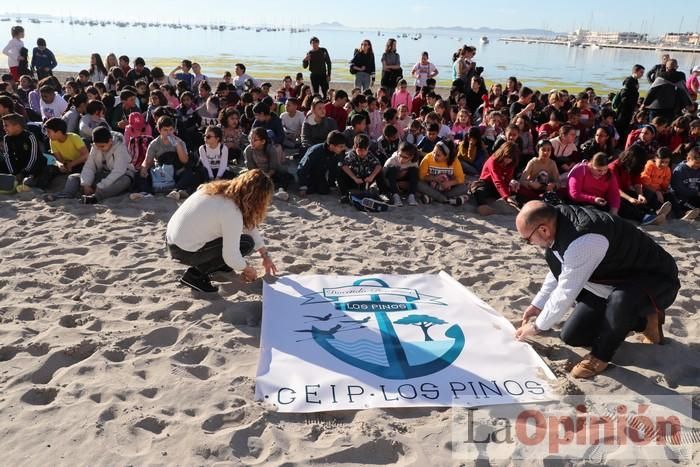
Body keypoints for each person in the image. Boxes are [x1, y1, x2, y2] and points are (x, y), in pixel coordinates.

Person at [514, 201, 680, 379]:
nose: (529, 243)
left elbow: (566, 291)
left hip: (655, 278)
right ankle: (645, 322)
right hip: (611, 278)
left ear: (543, 230)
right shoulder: (557, 220)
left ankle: (600, 357)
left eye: (527, 239)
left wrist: (537, 326)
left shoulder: (583, 238)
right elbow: (559, 268)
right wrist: (538, 305)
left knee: (621, 300)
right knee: (573, 336)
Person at [166, 169, 277, 293]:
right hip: (183, 251)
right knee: (246, 244)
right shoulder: (231, 211)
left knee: (241, 241)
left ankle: (219, 265)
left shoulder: (220, 190)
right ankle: (195, 275)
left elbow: (249, 226)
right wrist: (247, 269)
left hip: (172, 240)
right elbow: (231, 256)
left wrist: (265, 255)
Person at [46, 126, 134, 204]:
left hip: (121, 175)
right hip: (102, 174)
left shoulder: (120, 148)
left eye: (102, 146)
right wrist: (86, 184)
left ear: (110, 141)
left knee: (124, 181)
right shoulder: (95, 146)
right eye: (97, 146)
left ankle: (95, 198)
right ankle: (66, 194)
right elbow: (89, 166)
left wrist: (100, 186)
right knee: (73, 177)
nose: (100, 149)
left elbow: (119, 171)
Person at [610, 145, 671, 225]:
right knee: (622, 203)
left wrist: (640, 194)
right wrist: (629, 198)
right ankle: (644, 217)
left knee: (646, 193)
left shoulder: (632, 166)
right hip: (612, 194)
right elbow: (615, 189)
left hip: (625, 191)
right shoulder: (614, 167)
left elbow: (636, 181)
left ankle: (655, 211)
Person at [1, 113, 52, 190]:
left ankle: (31, 179)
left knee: (41, 162)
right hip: (18, 164)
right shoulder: (7, 138)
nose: (4, 128)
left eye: (6, 125)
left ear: (17, 126)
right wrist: (14, 173)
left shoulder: (30, 136)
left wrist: (23, 172)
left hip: (32, 164)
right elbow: (8, 156)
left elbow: (33, 156)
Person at [244, 127, 292, 201]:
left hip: (271, 174)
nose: (251, 141)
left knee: (286, 177)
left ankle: (279, 190)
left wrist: (266, 176)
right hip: (257, 175)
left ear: (263, 141)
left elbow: (273, 168)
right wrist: (259, 177)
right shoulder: (248, 150)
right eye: (250, 138)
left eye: (255, 140)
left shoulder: (270, 149)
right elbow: (251, 169)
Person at [473, 141, 520, 215]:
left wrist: (512, 185)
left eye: (511, 158)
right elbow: (497, 180)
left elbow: (507, 179)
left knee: (517, 190)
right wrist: (506, 196)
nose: (508, 160)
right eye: (507, 157)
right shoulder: (493, 161)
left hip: (498, 186)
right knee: (479, 191)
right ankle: (482, 206)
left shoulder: (511, 163)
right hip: (486, 183)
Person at [417, 140, 468, 205]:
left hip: (447, 188)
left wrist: (450, 183)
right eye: (434, 152)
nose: (434, 156)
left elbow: (461, 179)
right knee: (418, 184)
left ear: (446, 156)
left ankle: (433, 197)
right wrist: (434, 178)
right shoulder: (427, 158)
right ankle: (446, 199)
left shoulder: (454, 161)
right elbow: (421, 176)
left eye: (438, 155)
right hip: (431, 186)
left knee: (464, 188)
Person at [297, 130, 347, 196]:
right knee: (309, 190)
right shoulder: (315, 151)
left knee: (324, 190)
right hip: (308, 174)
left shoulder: (337, 153)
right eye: (341, 146)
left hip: (320, 174)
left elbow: (334, 169)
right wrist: (302, 187)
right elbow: (303, 168)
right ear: (331, 146)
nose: (343, 149)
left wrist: (332, 184)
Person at [338, 133, 387, 200]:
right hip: (354, 180)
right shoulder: (351, 155)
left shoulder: (370, 155)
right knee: (340, 171)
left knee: (379, 172)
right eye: (360, 150)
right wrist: (354, 178)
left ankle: (383, 193)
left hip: (365, 180)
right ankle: (344, 194)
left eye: (365, 150)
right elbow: (344, 166)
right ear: (355, 148)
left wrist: (371, 177)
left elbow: (378, 166)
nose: (363, 153)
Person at [614, 64, 644, 141]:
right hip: (624, 109)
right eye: (641, 72)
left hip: (629, 108)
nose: (642, 74)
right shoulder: (629, 81)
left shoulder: (635, 81)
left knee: (625, 125)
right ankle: (618, 141)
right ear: (635, 71)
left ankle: (621, 141)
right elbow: (624, 96)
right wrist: (632, 105)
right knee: (620, 125)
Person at [384, 141, 419, 206]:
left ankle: (411, 195)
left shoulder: (413, 163)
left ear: (411, 157)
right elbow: (383, 176)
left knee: (414, 170)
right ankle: (395, 196)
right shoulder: (392, 160)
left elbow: (415, 178)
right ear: (397, 152)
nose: (401, 159)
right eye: (400, 156)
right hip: (392, 183)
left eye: (405, 157)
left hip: (405, 182)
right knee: (392, 169)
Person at [671, 146, 700, 220]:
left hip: (694, 197)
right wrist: (696, 192)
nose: (698, 165)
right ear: (688, 159)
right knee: (694, 208)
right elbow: (679, 189)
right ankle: (686, 213)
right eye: (697, 163)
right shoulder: (680, 170)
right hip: (682, 200)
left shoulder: (698, 169)